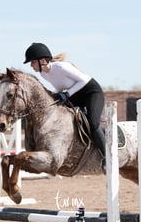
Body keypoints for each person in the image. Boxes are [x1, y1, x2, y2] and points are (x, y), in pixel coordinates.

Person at [23, 42, 106, 173]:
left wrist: (67, 94)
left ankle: (107, 156)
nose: (31, 65)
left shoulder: (61, 67)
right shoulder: (43, 74)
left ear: (42, 60)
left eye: (32, 62)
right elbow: (60, 86)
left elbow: (83, 80)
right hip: (75, 94)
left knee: (93, 122)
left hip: (91, 92)